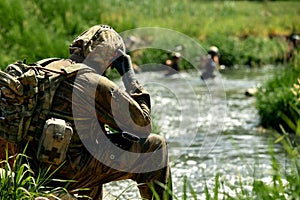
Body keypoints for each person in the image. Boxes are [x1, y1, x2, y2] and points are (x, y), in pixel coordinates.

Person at [1, 25, 172, 200]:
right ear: (111, 57)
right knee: (155, 147)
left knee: (93, 143)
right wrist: (129, 76)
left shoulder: (43, 66)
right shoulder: (93, 83)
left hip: (24, 167)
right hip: (66, 172)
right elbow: (142, 125)